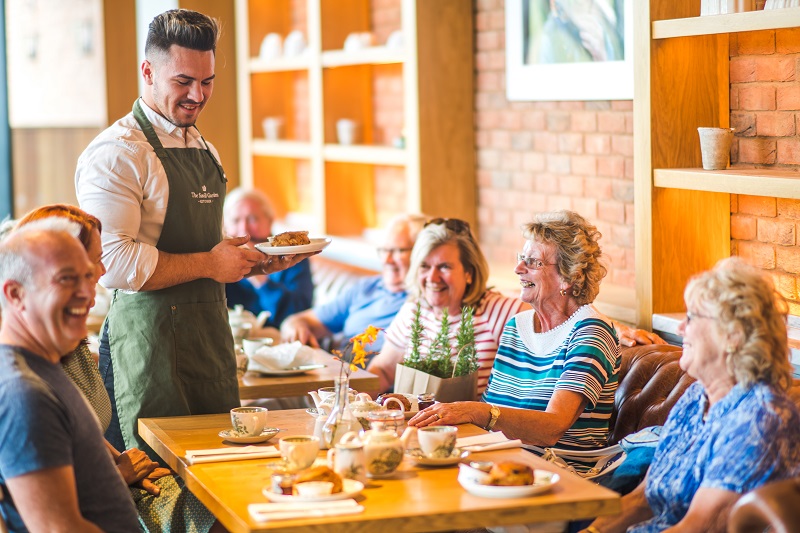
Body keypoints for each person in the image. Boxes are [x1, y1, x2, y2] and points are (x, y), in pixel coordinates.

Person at [75, 9, 313, 455]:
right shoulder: (117, 153)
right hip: (147, 350)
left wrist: (257, 260)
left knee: (224, 470)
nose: (197, 95)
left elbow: (209, 248)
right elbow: (115, 265)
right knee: (160, 490)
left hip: (209, 338)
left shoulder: (204, 147)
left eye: (207, 82)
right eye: (183, 81)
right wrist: (210, 263)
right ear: (148, 71)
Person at [14, 204, 222, 533]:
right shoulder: (23, 391)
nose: (99, 275)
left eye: (93, 265)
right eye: (74, 273)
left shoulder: (64, 351)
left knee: (217, 499)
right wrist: (119, 473)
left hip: (117, 490)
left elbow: (84, 434)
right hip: (108, 500)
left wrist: (121, 463)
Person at [583, 257, 800, 533]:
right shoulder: (696, 398)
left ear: (732, 335)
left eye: (691, 317)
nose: (679, 329)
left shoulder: (761, 417)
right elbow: (642, 499)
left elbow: (699, 526)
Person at [410, 211, 620, 466]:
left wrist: (475, 411)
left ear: (569, 276)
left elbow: (552, 428)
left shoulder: (590, 332)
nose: (517, 269)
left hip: (558, 473)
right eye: (521, 258)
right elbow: (493, 411)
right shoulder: (516, 327)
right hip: (494, 462)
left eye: (533, 262)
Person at [0, 220, 139, 532]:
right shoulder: (24, 394)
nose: (87, 295)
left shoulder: (43, 367)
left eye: (88, 277)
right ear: (16, 294)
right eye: (66, 279)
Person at [367, 218, 529, 396]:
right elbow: (383, 370)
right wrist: (357, 399)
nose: (432, 278)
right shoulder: (414, 310)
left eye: (444, 267)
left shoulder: (498, 311)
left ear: (469, 273)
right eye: (425, 266)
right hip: (413, 421)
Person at [281, 213, 428, 353]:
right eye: (384, 251)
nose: (386, 260)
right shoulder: (367, 288)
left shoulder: (427, 302)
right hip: (339, 372)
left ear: (422, 253)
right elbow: (300, 320)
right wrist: (295, 328)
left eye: (397, 251)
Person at [223, 187, 313, 327]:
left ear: (270, 221)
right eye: (235, 220)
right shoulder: (221, 262)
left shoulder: (292, 255)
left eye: (252, 219)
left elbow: (298, 313)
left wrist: (257, 272)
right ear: (225, 227)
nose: (244, 229)